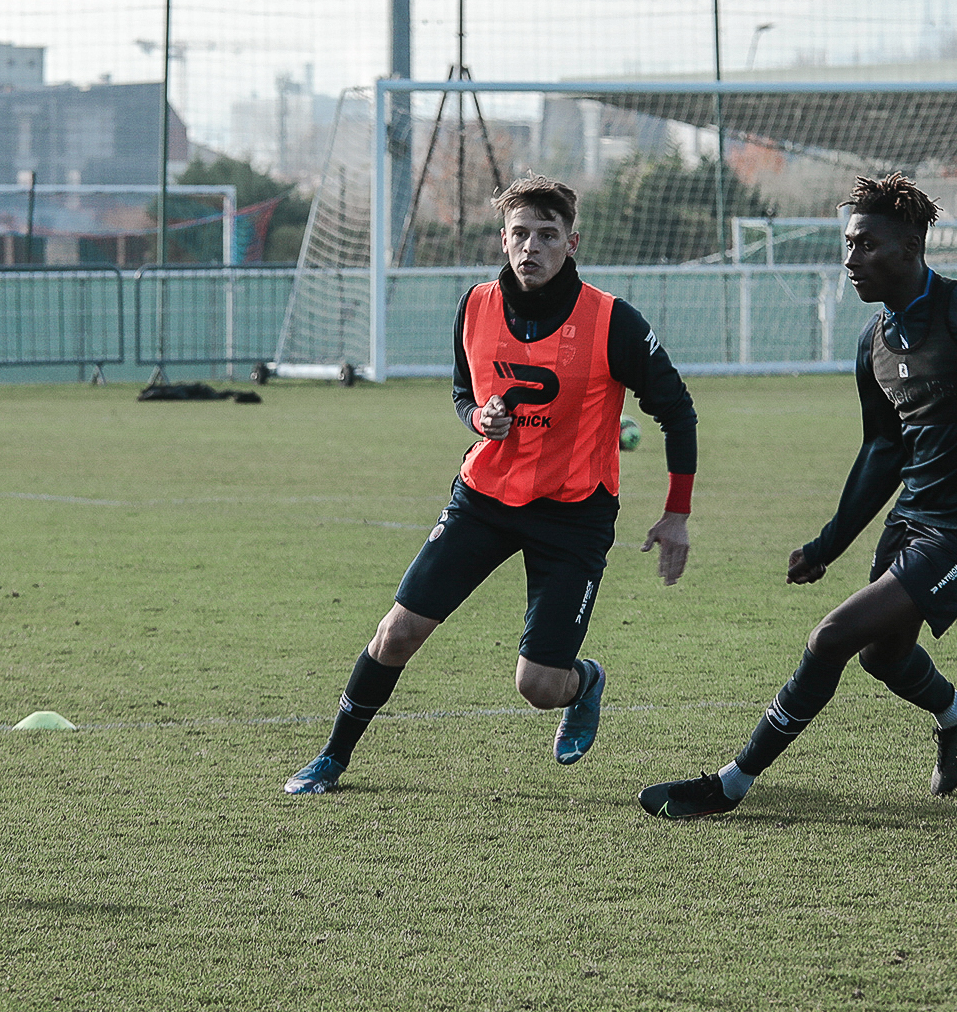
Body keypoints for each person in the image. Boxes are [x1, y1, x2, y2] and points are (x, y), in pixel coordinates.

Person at [639, 172, 957, 819]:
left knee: (830, 637)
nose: (849, 258)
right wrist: (827, 544)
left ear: (910, 246)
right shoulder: (875, 343)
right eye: (848, 243)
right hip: (914, 516)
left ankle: (732, 783)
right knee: (881, 658)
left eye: (865, 245)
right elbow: (883, 451)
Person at [285, 173, 699, 794]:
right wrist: (480, 418)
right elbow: (463, 395)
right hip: (482, 499)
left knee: (537, 687)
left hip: (574, 513)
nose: (531, 247)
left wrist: (676, 513)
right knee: (396, 633)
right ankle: (332, 759)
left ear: (572, 243)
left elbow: (679, 411)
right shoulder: (474, 305)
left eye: (547, 235)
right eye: (520, 233)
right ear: (502, 239)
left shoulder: (613, 322)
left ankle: (584, 681)